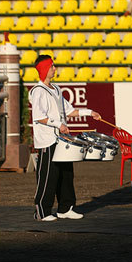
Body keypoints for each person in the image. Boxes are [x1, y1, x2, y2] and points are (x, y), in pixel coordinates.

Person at [30, 55, 101, 221]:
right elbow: (39, 116)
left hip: (61, 140)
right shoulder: (38, 91)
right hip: (47, 140)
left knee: (66, 174)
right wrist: (59, 124)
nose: (55, 69)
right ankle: (42, 211)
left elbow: (69, 111)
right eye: (52, 66)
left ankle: (65, 208)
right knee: (48, 176)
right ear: (44, 69)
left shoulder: (56, 89)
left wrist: (89, 112)